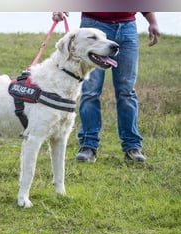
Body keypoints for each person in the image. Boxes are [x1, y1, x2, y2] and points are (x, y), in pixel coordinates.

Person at [52, 12, 160, 163]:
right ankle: (88, 147)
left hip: (127, 27)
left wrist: (152, 21)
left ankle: (133, 148)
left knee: (127, 92)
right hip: (93, 25)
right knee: (90, 92)